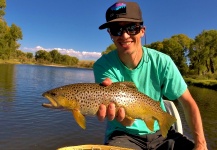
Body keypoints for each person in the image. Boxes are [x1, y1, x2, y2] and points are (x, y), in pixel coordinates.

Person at [93, 2, 207, 150]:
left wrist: (201, 144)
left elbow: (187, 102)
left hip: (161, 133)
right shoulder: (102, 65)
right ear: (110, 34)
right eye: (116, 29)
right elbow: (127, 122)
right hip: (123, 134)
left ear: (142, 31)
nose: (125, 35)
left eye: (132, 28)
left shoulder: (163, 62)